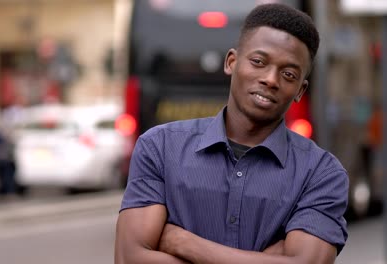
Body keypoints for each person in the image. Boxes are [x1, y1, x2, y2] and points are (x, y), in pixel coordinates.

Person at [115, 3, 348, 264]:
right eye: (259, 62)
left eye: (288, 74)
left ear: (300, 91)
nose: (271, 79)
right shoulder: (159, 147)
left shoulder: (320, 173)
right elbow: (130, 258)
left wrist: (183, 242)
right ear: (231, 62)